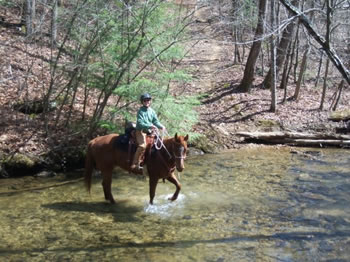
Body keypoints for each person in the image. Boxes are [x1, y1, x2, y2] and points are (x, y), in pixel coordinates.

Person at [131, 93, 165, 172]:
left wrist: (161, 126)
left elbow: (156, 121)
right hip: (141, 131)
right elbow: (140, 122)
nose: (147, 101)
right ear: (142, 102)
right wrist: (149, 126)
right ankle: (135, 164)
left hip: (150, 131)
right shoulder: (140, 111)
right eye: (145, 100)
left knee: (159, 143)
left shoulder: (152, 111)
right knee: (142, 146)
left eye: (148, 100)